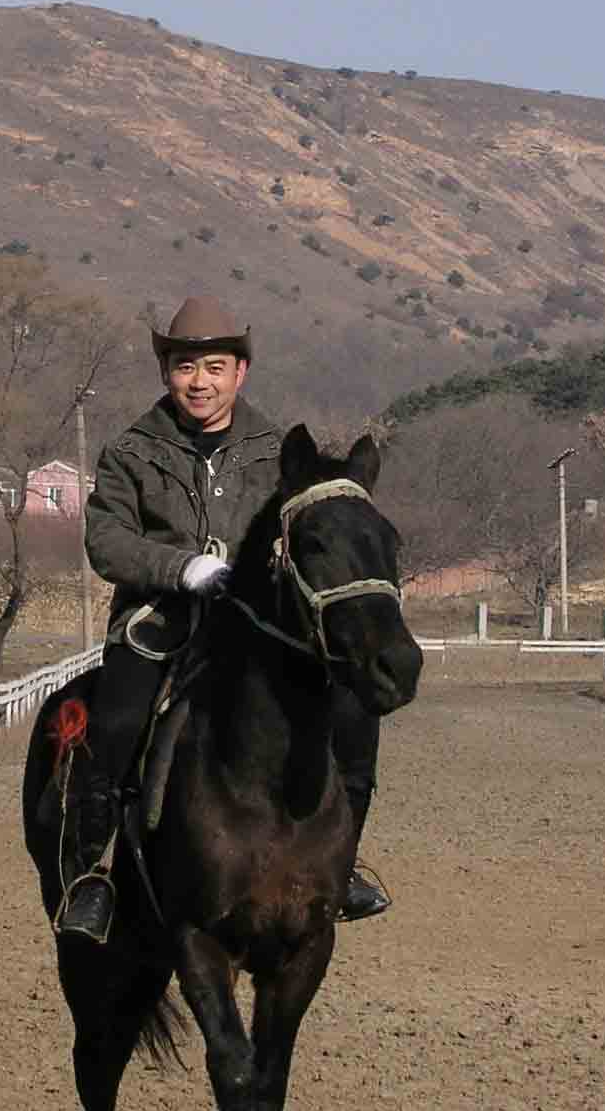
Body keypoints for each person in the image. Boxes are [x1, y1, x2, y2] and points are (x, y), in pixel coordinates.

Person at [54, 295, 390, 940]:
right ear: (166, 372)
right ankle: (94, 872)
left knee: (355, 715)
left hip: (258, 628)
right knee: (118, 718)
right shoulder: (131, 450)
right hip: (160, 621)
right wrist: (183, 568)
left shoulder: (277, 454)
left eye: (214, 367)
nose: (198, 382)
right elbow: (107, 541)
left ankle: (342, 864)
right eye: (185, 367)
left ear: (241, 372)